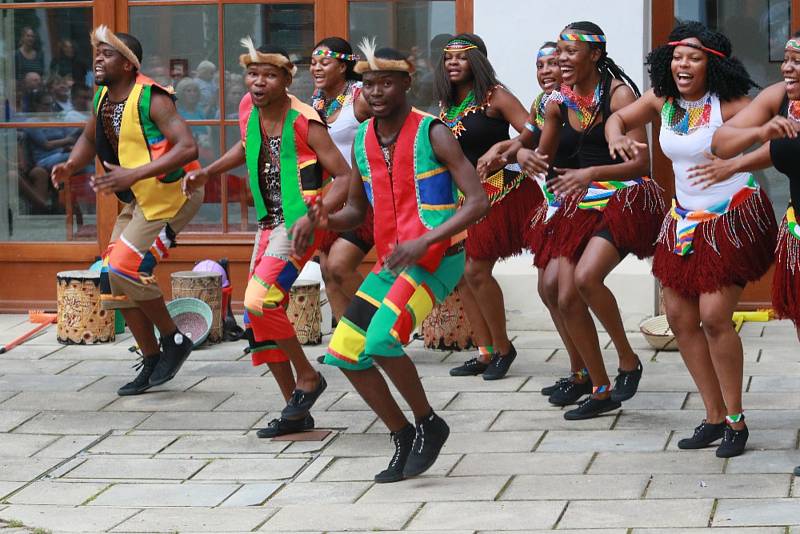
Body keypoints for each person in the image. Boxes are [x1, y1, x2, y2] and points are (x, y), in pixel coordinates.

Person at [292, 41, 489, 483]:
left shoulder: (432, 131)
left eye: (386, 82)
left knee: (381, 341)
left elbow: (477, 203)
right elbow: (358, 214)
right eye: (369, 84)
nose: (376, 91)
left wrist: (425, 242)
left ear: (406, 83)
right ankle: (402, 434)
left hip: (439, 258)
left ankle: (428, 424)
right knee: (344, 351)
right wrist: (321, 218)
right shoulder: (362, 139)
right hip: (393, 262)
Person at [606, 22, 776, 457]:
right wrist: (618, 138)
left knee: (715, 316)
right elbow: (621, 117)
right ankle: (713, 416)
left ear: (712, 66)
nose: (683, 64)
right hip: (682, 220)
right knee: (681, 319)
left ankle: (736, 421)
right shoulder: (663, 100)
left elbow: (770, 135)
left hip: (730, 216)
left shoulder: (731, 103)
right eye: (678, 56)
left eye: (694, 57)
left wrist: (753, 142)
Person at [182, 38, 351, 438]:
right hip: (267, 223)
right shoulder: (248, 111)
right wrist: (209, 172)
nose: (258, 82)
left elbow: (344, 176)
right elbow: (246, 147)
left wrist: (321, 213)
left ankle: (308, 378)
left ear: (287, 79)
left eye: (269, 75)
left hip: (298, 224)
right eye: (252, 74)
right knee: (256, 317)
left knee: (261, 300)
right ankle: (295, 411)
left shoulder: (304, 120)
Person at [519, 22, 665, 419]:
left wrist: (588, 175)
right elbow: (545, 156)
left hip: (623, 194)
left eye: (569, 52)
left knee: (581, 283)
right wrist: (522, 157)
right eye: (559, 52)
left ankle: (626, 359)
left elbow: (642, 162)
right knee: (553, 288)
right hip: (580, 199)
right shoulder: (558, 100)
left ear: (595, 56)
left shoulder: (618, 95)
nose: (561, 60)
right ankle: (595, 383)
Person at [50, 26, 203, 396]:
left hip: (172, 197)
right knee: (111, 280)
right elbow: (89, 137)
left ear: (129, 63)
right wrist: (71, 165)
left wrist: (132, 173)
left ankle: (174, 339)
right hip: (138, 199)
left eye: (107, 55)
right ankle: (152, 357)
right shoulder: (104, 95)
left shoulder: (153, 98)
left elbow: (188, 148)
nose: (98, 60)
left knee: (124, 268)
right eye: (97, 54)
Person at [479, 41, 587, 396]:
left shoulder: (584, 102)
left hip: (589, 202)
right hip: (556, 202)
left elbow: (537, 151)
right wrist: (502, 149)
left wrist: (521, 151)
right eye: (540, 66)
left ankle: (595, 372)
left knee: (563, 290)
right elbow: (525, 142)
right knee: (548, 289)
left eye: (553, 63)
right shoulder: (542, 104)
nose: (545, 71)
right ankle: (579, 370)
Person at [435, 34, 537, 380]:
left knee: (476, 270)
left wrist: (505, 149)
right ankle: (485, 351)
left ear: (476, 61)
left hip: (503, 192)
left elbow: (533, 129)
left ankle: (504, 349)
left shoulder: (495, 96)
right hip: (464, 198)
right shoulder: (446, 105)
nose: (452, 63)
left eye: (460, 58)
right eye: (447, 58)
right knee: (462, 275)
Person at [710, 31, 800, 348]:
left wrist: (736, 165)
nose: (787, 68)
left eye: (797, 62)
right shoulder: (781, 96)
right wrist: (761, 130)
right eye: (787, 60)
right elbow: (721, 142)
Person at [309, 37, 374, 322]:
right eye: (313, 63)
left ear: (344, 66)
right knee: (326, 269)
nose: (317, 68)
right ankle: (345, 342)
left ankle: (383, 325)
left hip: (363, 198)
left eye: (325, 62)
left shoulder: (361, 99)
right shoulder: (317, 101)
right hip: (332, 197)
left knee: (339, 266)